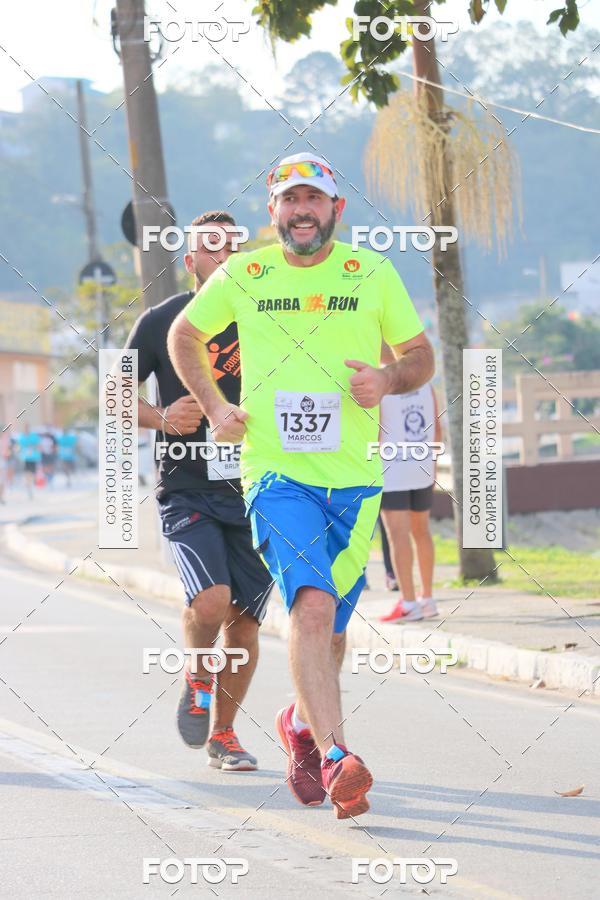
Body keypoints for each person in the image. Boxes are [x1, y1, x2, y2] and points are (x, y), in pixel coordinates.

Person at [169, 153, 434, 818]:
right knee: (309, 610)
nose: (302, 212)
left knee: (335, 628)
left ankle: (298, 723)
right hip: (277, 476)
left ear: (336, 211)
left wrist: (388, 379)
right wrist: (216, 405)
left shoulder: (371, 272)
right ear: (273, 213)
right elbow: (184, 334)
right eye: (290, 201)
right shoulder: (246, 272)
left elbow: (419, 355)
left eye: (313, 200)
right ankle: (340, 755)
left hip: (356, 483)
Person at [125, 211, 273, 773]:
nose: (225, 258)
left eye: (234, 248)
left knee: (246, 620)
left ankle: (225, 736)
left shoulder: (267, 319)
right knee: (211, 601)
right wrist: (163, 417)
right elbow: (113, 397)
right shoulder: (162, 321)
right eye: (213, 250)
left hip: (257, 487)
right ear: (191, 262)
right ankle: (196, 672)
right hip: (187, 488)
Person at [378, 345, 441, 622]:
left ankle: (409, 603)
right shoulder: (426, 384)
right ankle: (428, 599)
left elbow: (376, 430)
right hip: (422, 464)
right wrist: (432, 465)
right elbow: (437, 429)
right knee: (422, 532)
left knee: (398, 536)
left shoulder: (380, 384)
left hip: (392, 469)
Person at [17, 423, 41, 499]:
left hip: (33, 458)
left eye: (27, 427)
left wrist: (34, 448)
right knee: (27, 473)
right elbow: (18, 447)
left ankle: (30, 484)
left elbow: (38, 445)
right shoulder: (21, 437)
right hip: (25, 458)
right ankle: (29, 486)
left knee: (32, 473)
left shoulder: (34, 436)